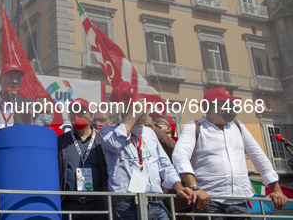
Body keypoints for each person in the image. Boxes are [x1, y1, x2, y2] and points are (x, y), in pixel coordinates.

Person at [172, 87, 287, 220]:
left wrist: (276, 189)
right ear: (211, 107)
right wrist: (195, 188)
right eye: (226, 104)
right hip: (209, 201)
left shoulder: (238, 126)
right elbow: (180, 156)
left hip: (239, 201)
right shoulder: (194, 127)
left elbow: (258, 156)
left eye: (232, 104)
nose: (232, 108)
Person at [101, 92, 194, 220]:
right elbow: (115, 144)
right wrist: (132, 115)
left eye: (145, 108)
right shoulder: (108, 131)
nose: (144, 112)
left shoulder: (149, 133)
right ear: (125, 111)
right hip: (126, 204)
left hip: (154, 201)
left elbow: (165, 164)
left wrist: (178, 186)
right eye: (139, 108)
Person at [58, 98, 109, 220]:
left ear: (91, 116)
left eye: (81, 111)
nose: (77, 116)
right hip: (69, 206)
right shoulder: (61, 141)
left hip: (97, 206)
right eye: (73, 112)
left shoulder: (102, 141)